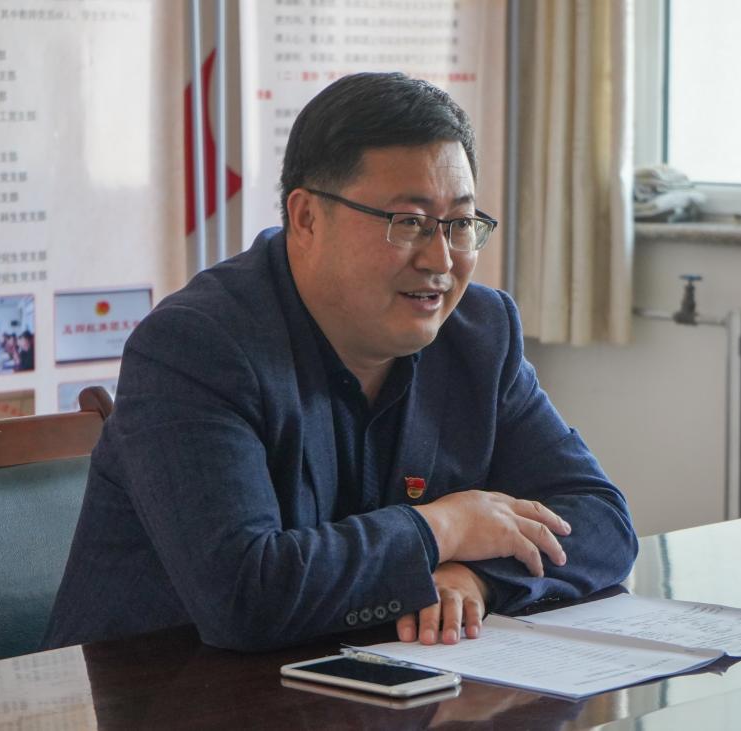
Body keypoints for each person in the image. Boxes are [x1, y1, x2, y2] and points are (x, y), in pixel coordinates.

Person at [44, 72, 637, 653]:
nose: (440, 259)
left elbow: (602, 522)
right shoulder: (195, 346)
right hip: (162, 690)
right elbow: (245, 595)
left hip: (372, 680)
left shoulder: (478, 334)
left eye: (460, 224)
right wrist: (445, 528)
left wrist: (478, 577)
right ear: (307, 218)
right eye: (408, 223)